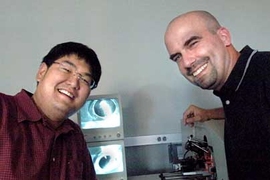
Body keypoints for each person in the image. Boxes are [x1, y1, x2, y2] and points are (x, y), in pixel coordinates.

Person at [164, 10, 270, 180]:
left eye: (192, 43)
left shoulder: (265, 70)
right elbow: (252, 106)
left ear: (224, 36)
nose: (186, 63)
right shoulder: (237, 88)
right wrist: (208, 114)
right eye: (177, 57)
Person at [0, 42, 102, 180]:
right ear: (42, 72)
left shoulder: (75, 135)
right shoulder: (4, 110)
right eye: (66, 69)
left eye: (85, 79)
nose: (74, 83)